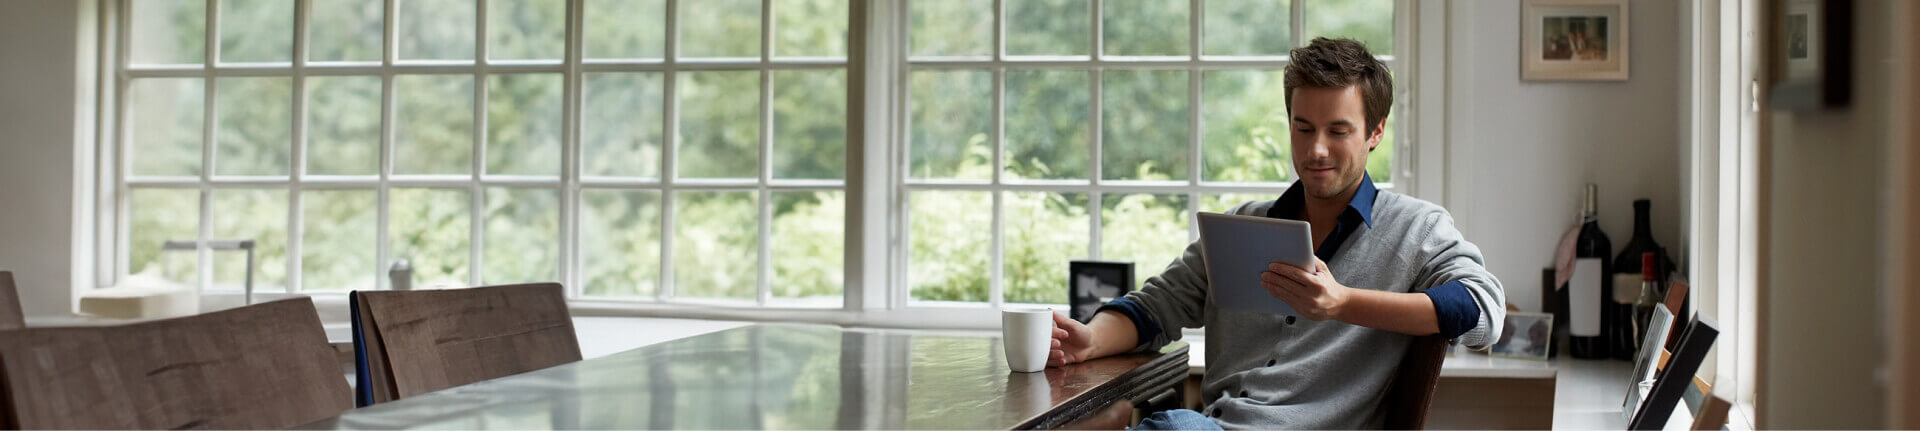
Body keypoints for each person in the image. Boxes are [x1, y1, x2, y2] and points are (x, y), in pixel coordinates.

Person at [1046, 37, 1506, 430]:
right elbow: (1154, 307)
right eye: (1303, 128)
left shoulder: (1417, 229)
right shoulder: (1241, 226)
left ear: (1376, 132)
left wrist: (1342, 303)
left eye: (1338, 131)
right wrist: (1091, 338)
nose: (1316, 149)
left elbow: (1481, 309)